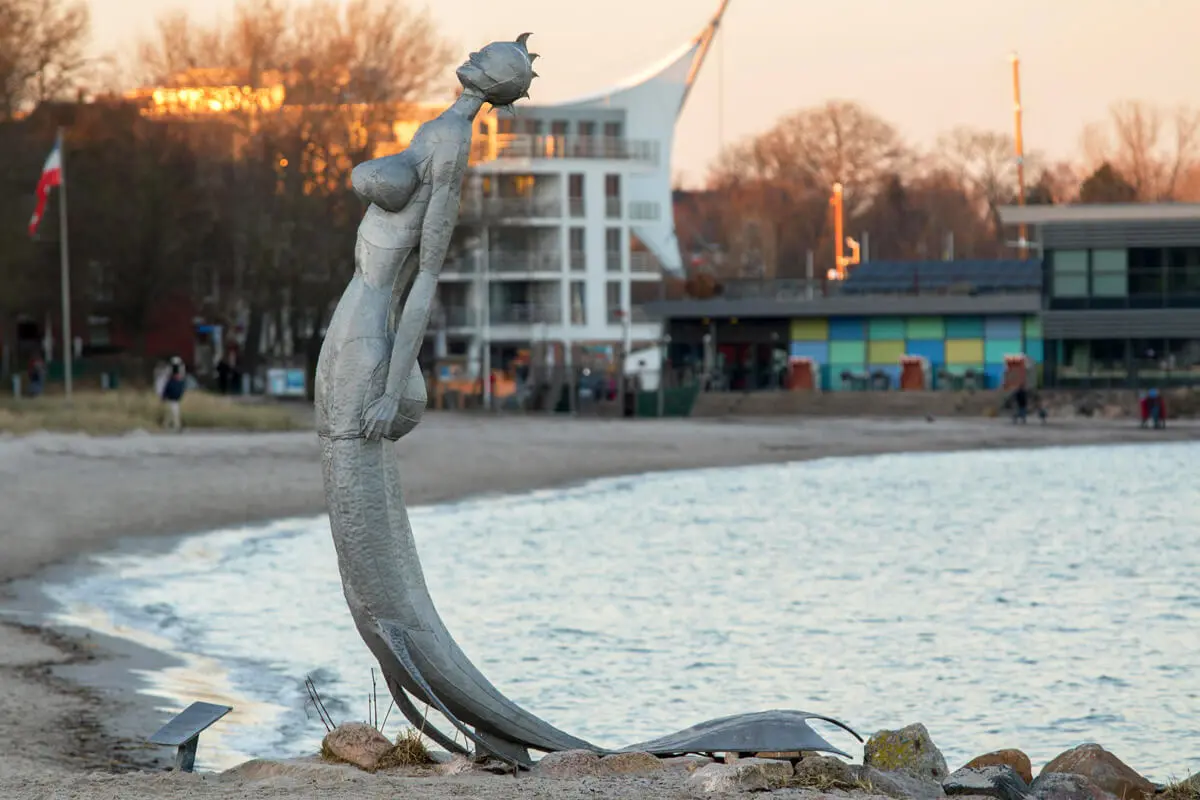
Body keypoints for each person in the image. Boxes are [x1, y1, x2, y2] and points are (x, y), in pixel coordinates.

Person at [161, 358, 187, 432]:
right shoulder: (173, 381)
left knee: (173, 413)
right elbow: (167, 389)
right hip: (171, 399)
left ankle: (172, 426)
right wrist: (164, 396)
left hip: (175, 399)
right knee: (172, 413)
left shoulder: (178, 381)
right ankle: (172, 426)